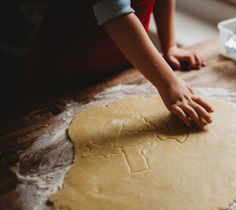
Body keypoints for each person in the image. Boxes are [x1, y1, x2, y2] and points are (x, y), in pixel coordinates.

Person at [22, 0, 213, 129]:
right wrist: (168, 83)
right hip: (65, 71)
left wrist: (170, 45)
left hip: (119, 63)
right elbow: (116, 16)